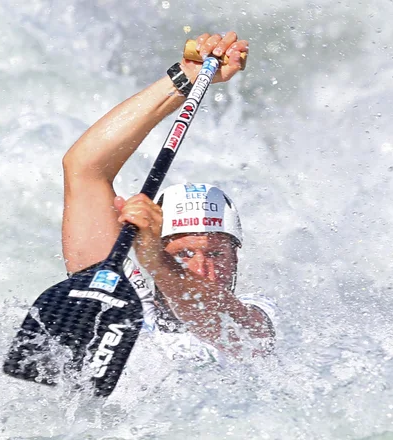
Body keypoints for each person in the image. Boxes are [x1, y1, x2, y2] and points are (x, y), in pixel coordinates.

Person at [61, 32, 276, 364]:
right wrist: (184, 79)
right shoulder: (117, 296)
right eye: (184, 253)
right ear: (157, 245)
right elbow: (84, 168)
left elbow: (219, 323)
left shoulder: (262, 315)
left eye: (217, 253)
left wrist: (157, 261)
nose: (204, 268)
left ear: (237, 254)